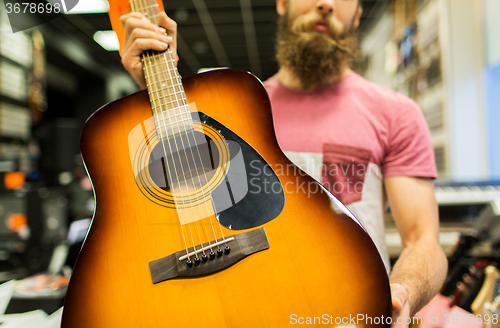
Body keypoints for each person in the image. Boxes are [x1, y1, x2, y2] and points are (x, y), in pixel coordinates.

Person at [118, 0, 447, 326]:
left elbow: (423, 239)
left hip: (351, 311)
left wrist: (403, 292)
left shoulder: (397, 114)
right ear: (281, 4)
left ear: (359, 13)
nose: (325, 4)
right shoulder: (233, 109)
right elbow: (192, 217)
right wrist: (152, 85)